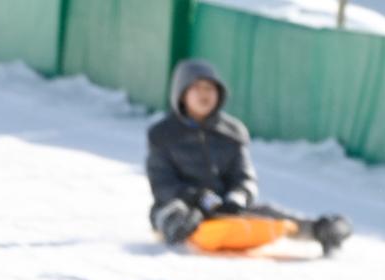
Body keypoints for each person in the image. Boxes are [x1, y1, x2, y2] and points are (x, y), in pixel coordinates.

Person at [146, 59, 353, 255]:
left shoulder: (232, 132)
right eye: (197, 88)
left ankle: (321, 230)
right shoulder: (162, 134)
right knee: (175, 214)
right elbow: (162, 184)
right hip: (181, 204)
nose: (204, 94)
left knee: (267, 213)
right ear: (182, 94)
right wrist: (198, 197)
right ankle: (178, 232)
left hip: (224, 208)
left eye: (210, 88)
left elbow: (244, 177)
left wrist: (237, 196)